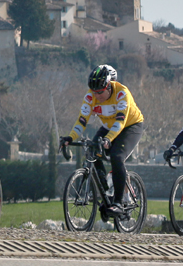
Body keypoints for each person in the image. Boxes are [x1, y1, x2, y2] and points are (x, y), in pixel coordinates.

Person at [59, 65, 144, 218]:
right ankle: (106, 194)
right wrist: (70, 137)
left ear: (108, 86)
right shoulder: (90, 96)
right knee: (92, 152)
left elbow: (120, 122)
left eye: (100, 92)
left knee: (117, 157)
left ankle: (118, 203)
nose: (97, 95)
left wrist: (108, 139)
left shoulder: (121, 92)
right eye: (94, 92)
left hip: (130, 126)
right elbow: (82, 121)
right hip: (108, 126)